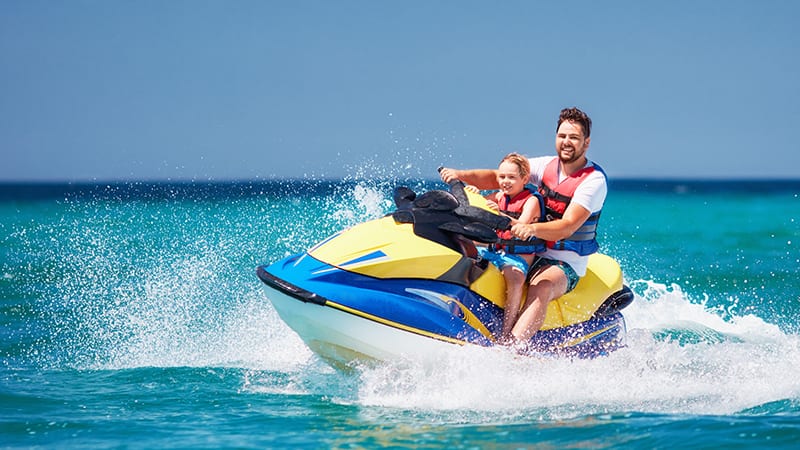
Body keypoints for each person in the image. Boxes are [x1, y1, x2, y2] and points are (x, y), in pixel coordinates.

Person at [440, 107, 607, 347]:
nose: (566, 142)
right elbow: (498, 176)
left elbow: (568, 225)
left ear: (586, 142)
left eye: (574, 137)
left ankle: (512, 348)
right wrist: (460, 175)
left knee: (542, 286)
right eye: (562, 136)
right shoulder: (543, 166)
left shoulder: (593, 180)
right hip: (523, 250)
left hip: (563, 261)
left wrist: (531, 229)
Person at [472, 153, 541, 341]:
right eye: (502, 177)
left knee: (515, 278)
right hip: (494, 251)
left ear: (524, 179)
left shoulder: (532, 201)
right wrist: (474, 194)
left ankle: (507, 331)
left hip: (516, 258)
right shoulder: (499, 196)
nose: (505, 181)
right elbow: (479, 206)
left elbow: (522, 226)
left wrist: (501, 215)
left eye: (512, 177)